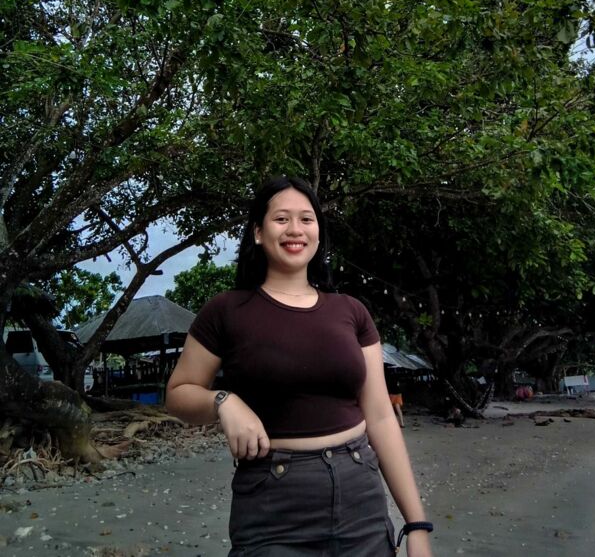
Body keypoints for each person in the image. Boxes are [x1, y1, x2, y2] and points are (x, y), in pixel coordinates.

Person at [166, 176, 434, 556]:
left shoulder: (351, 311)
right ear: (258, 232)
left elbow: (379, 417)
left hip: (361, 498)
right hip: (272, 505)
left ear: (318, 233)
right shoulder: (226, 310)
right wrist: (223, 401)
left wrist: (416, 524)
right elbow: (178, 394)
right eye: (281, 219)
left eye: (307, 219)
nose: (295, 229)